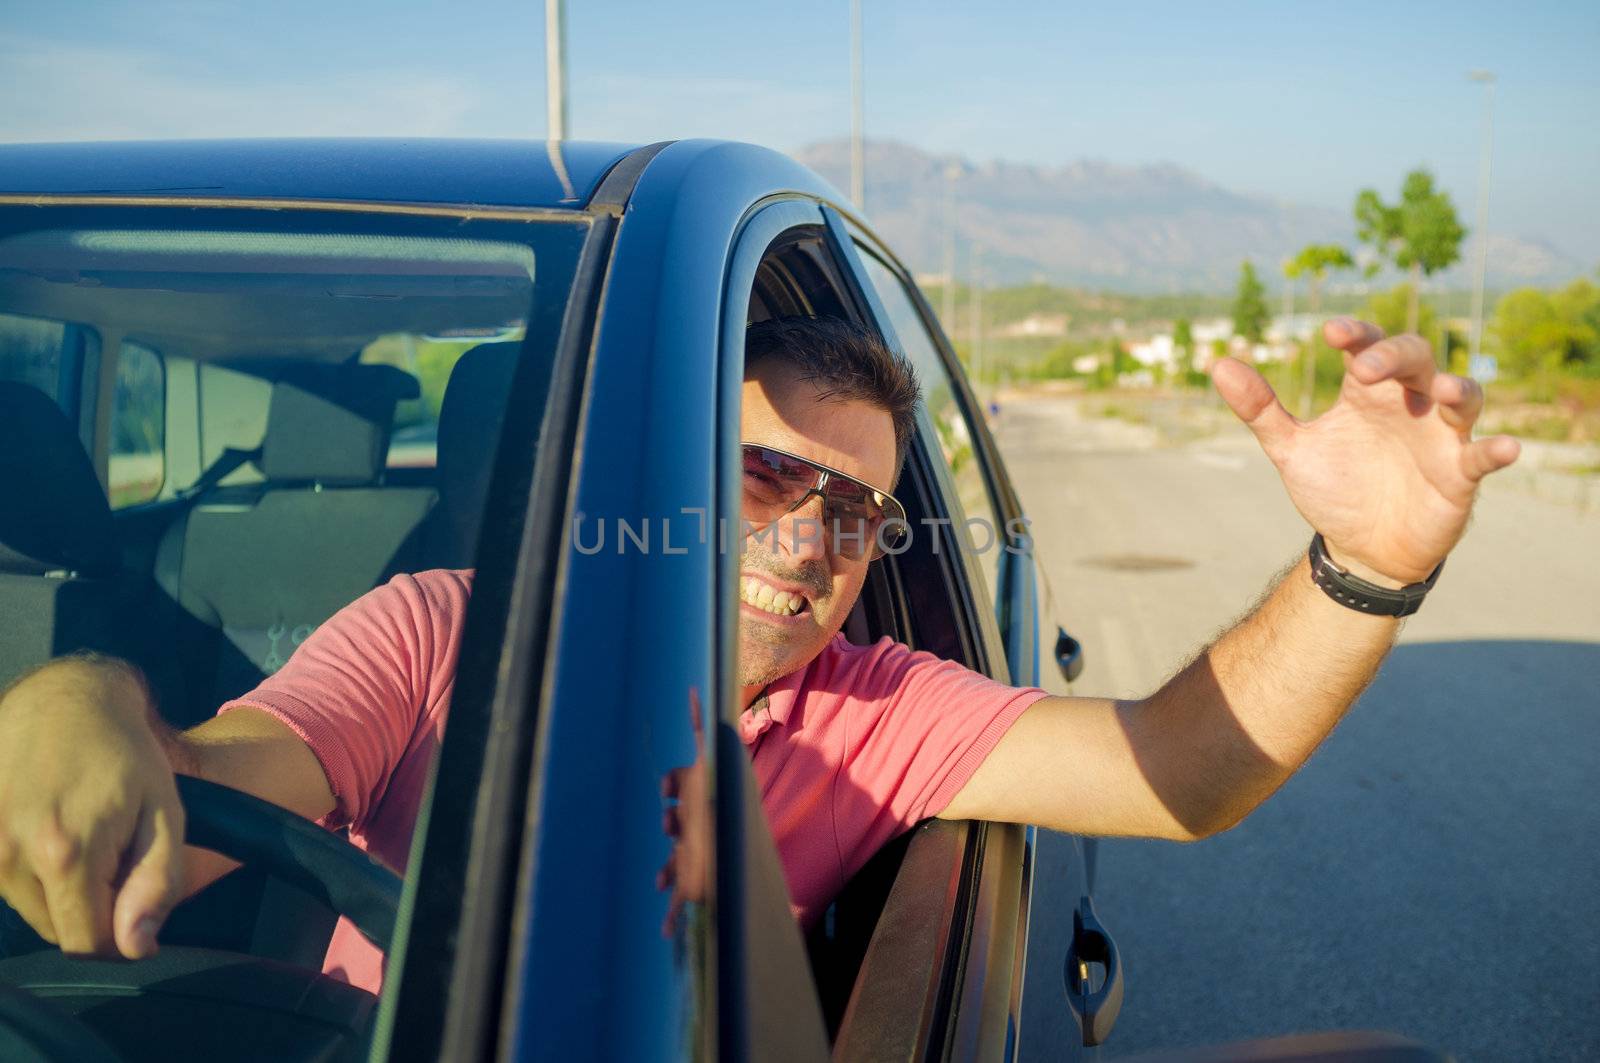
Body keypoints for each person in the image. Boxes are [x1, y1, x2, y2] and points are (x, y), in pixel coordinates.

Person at [0, 314, 1519, 995]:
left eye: (855, 510)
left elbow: (1181, 772)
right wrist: (77, 704)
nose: (811, 539)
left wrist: (1367, 568)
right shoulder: (440, 631)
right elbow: (195, 790)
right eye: (756, 476)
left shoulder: (875, 711)